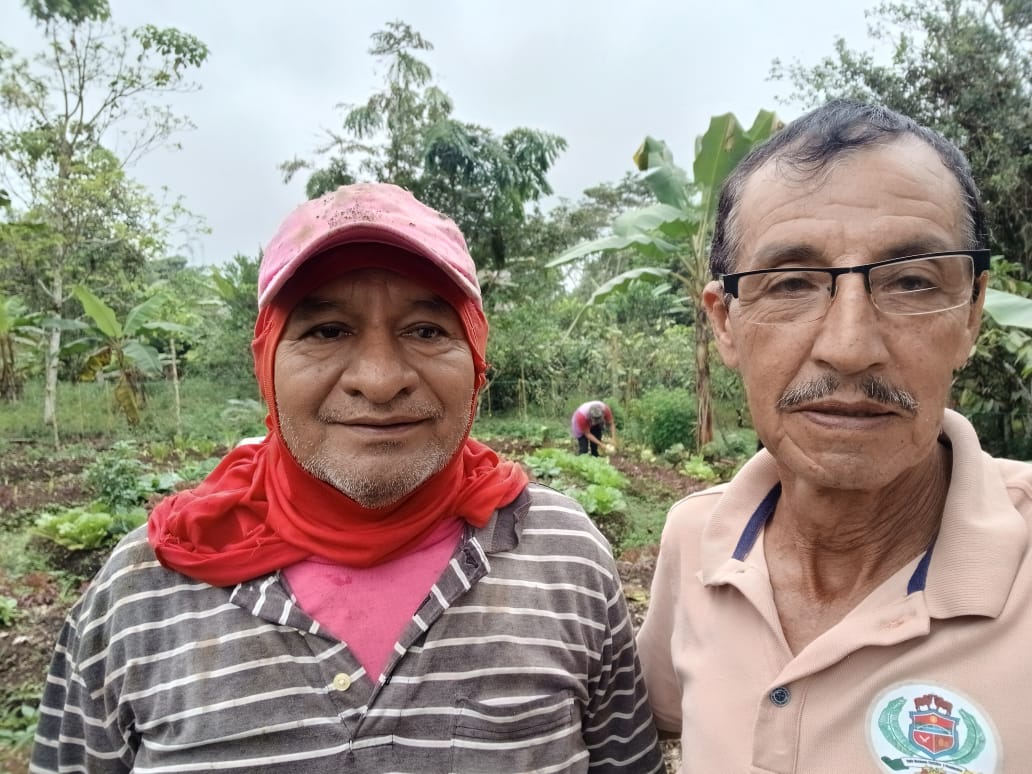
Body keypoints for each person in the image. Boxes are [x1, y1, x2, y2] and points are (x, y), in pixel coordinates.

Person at [32, 183, 663, 773]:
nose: (380, 380)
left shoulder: (565, 556)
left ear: (475, 361)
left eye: (426, 330)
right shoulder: (141, 589)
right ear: (266, 363)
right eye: (327, 331)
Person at [636, 99, 1032, 773]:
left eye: (912, 282)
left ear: (971, 313)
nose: (850, 348)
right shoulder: (696, 539)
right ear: (725, 323)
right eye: (791, 283)